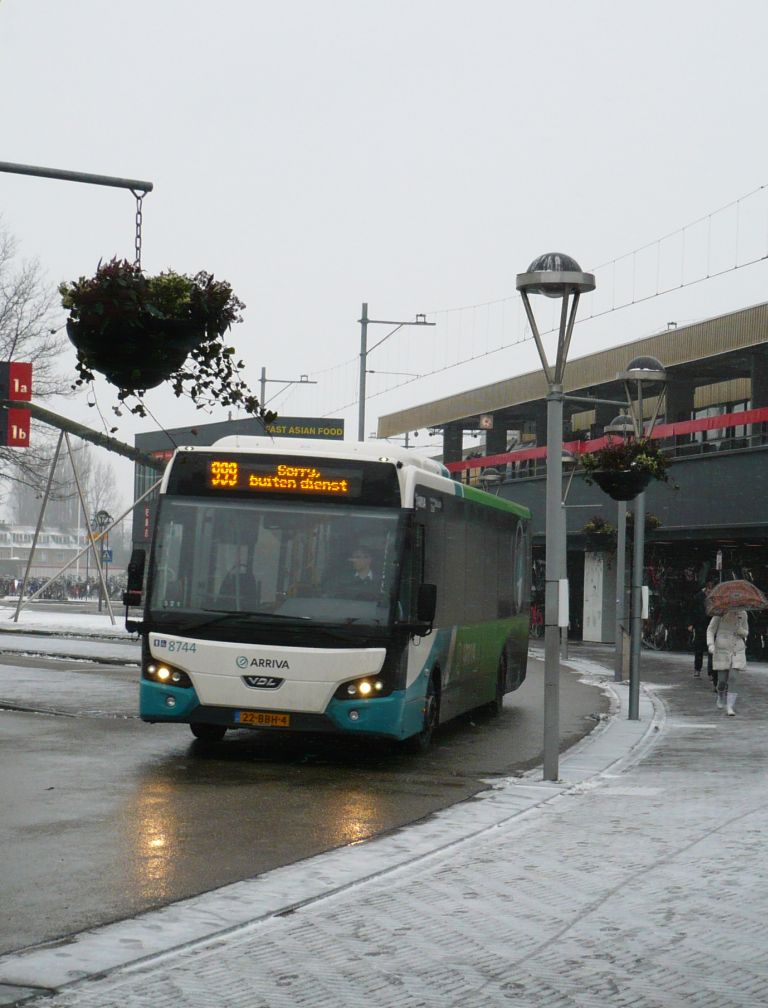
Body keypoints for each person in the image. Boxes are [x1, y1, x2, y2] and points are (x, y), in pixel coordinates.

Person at [706, 608, 748, 716]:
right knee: (722, 681)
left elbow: (746, 632)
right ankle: (720, 695)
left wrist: (739, 629)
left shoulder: (743, 613)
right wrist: (711, 644)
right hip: (722, 649)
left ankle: (730, 706)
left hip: (737, 648)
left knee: (733, 677)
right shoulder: (720, 613)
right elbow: (711, 630)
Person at [688, 579, 714, 684]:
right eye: (709, 591)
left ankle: (711, 672)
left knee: (711, 650)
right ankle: (697, 669)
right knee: (699, 649)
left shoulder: (713, 598)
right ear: (706, 589)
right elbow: (692, 610)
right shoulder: (698, 597)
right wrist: (690, 624)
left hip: (710, 626)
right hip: (700, 626)